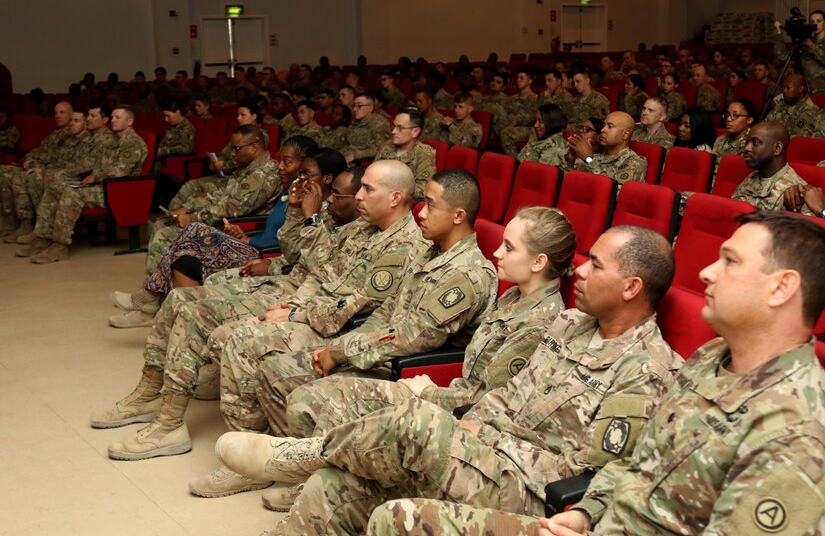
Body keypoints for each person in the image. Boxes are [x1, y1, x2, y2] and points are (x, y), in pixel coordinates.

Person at [216, 224, 682, 535]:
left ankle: (301, 453)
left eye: (596, 264)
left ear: (631, 287)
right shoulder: (569, 326)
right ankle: (312, 470)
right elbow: (505, 397)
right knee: (333, 486)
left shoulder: (647, 370)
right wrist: (476, 424)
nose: (579, 269)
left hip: (531, 489)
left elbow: (593, 473)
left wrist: (479, 436)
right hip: (483, 455)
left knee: (416, 423)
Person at [407, 211, 825, 536]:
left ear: (781, 288)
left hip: (538, 489)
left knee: (401, 507)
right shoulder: (710, 360)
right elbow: (636, 463)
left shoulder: (797, 430)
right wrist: (586, 515)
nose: (706, 273)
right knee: (389, 505)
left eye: (729, 262)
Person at [94, 160, 428, 466]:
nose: (358, 196)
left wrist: (297, 314)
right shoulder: (362, 228)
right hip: (304, 302)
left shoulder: (402, 246)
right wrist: (294, 290)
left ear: (396, 197)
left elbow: (350, 307)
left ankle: (236, 447)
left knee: (230, 334)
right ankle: (157, 400)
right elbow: (313, 266)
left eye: (367, 189)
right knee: (183, 302)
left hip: (329, 326)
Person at [254, 207, 576, 511]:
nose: (497, 253)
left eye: (509, 248)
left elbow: (487, 399)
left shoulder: (538, 323)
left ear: (538, 262)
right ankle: (312, 482)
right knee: (335, 395)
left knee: (342, 400)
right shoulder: (514, 296)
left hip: (465, 413)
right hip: (448, 390)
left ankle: (311, 478)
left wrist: (425, 392)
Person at [108, 137, 320, 329]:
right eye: (280, 160)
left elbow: (290, 247)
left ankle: (148, 297)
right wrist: (245, 236)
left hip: (265, 256)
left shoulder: (308, 201)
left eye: (287, 162)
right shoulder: (289, 191)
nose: (280, 166)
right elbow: (271, 229)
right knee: (185, 251)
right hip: (253, 245)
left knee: (194, 229)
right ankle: (153, 303)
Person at [113, 124, 280, 315]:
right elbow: (221, 195)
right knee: (163, 225)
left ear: (254, 146)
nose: (231, 153)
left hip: (237, 230)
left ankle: (153, 302)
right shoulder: (247, 168)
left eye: (236, 148)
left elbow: (233, 208)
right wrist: (188, 208)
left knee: (166, 236)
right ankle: (153, 297)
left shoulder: (263, 174)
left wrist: (192, 217)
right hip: (222, 222)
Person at [20, 106, 147, 264]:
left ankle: (60, 245)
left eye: (117, 117)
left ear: (129, 121)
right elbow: (102, 165)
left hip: (118, 190)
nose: (113, 120)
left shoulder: (132, 142)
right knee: (54, 188)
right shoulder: (119, 140)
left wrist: (95, 176)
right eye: (112, 117)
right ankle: (43, 236)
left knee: (71, 194)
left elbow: (120, 171)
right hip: (104, 185)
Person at [0, 101, 73, 242]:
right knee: (3, 171)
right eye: (56, 113)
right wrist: (29, 157)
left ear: (71, 114)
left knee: (21, 178)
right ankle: (10, 220)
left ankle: (31, 224)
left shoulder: (71, 134)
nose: (57, 116)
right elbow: (38, 149)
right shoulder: (55, 134)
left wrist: (33, 161)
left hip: (48, 170)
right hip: (36, 165)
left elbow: (55, 158)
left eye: (62, 112)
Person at [732, 121, 811, 213]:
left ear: (777, 148)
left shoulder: (796, 193)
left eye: (755, 143)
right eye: (747, 142)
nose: (747, 148)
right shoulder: (753, 176)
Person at [374, 109, 436, 200]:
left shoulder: (424, 153)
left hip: (401, 201)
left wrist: (390, 189)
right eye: (394, 126)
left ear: (415, 132)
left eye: (400, 128)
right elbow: (372, 172)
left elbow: (424, 188)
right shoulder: (387, 146)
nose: (393, 131)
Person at [569, 111, 647, 184]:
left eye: (610, 126)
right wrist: (569, 159)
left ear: (625, 134)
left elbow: (614, 192)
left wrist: (588, 159)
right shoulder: (595, 154)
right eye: (604, 125)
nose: (603, 130)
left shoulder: (634, 162)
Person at [774, 10, 825, 94]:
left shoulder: (809, 43)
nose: (815, 24)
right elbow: (783, 56)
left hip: (822, 91)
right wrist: (779, 33)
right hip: (805, 90)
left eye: (819, 21)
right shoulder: (805, 42)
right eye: (812, 21)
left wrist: (811, 44)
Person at [342, 93, 392, 164]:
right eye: (354, 106)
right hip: (348, 157)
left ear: (370, 108)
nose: (355, 109)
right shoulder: (354, 122)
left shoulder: (379, 123)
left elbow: (383, 149)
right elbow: (348, 144)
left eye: (359, 106)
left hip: (364, 162)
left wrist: (354, 156)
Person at [501, 67, 539, 156]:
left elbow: (530, 116)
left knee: (506, 133)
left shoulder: (534, 98)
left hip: (528, 128)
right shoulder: (512, 98)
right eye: (517, 78)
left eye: (521, 78)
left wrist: (513, 123)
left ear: (530, 81)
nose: (518, 80)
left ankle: (514, 161)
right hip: (510, 125)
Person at [156, 99, 196, 165]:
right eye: (165, 116)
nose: (166, 120)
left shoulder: (187, 127)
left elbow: (186, 148)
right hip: (162, 158)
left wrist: (164, 151)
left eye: (168, 116)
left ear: (178, 112)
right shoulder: (171, 126)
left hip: (173, 161)